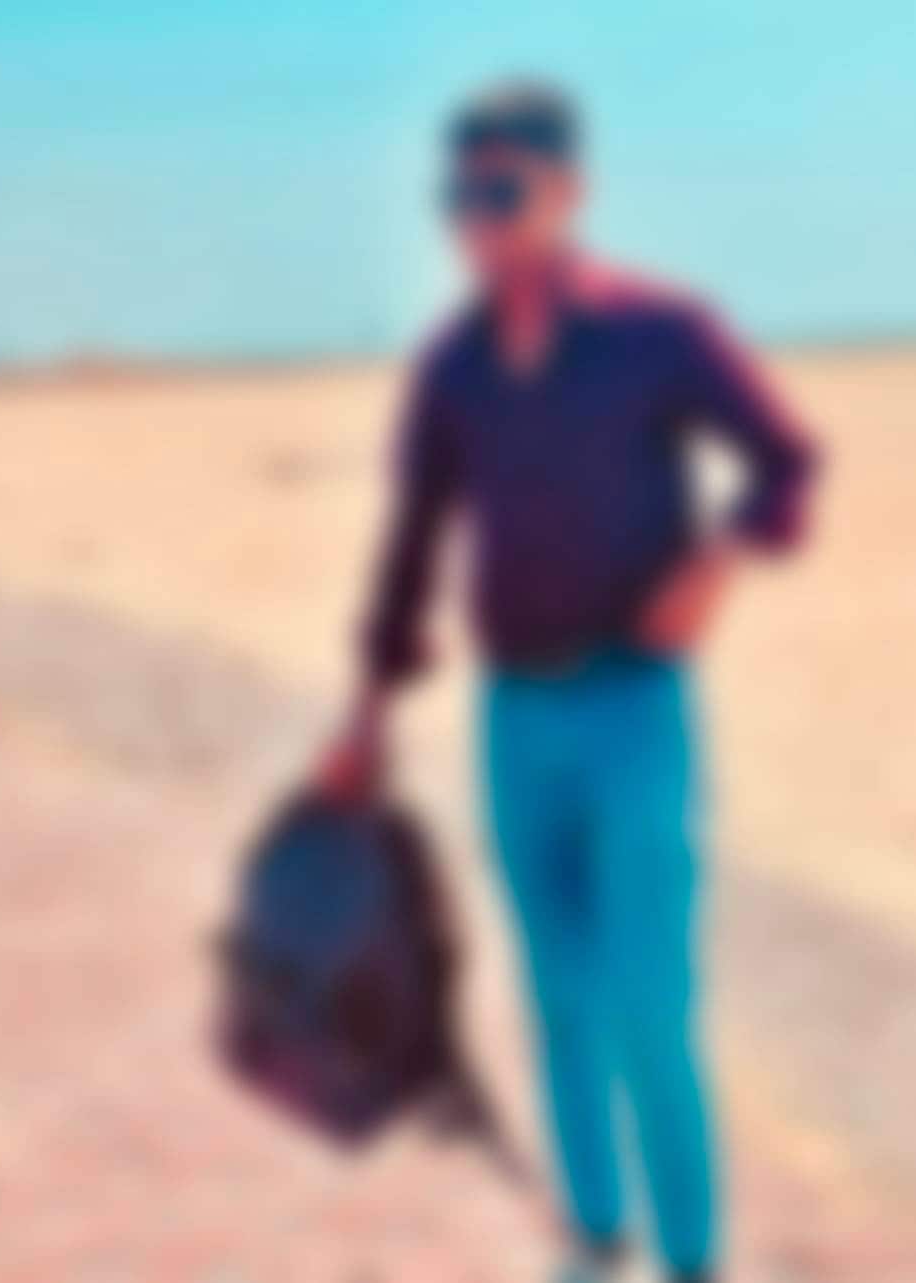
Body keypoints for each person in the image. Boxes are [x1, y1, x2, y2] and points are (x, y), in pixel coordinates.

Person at [318, 82, 818, 1282]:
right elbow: (409, 545)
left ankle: (692, 1258)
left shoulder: (659, 332)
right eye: (459, 197)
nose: (477, 221)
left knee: (647, 999)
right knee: (556, 998)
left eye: (502, 192)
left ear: (566, 191)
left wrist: (714, 561)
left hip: (633, 709)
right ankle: (594, 1236)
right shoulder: (450, 368)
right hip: (514, 720)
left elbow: (785, 462)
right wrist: (367, 713)